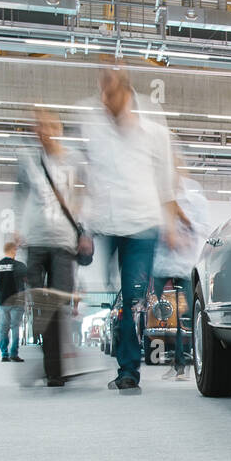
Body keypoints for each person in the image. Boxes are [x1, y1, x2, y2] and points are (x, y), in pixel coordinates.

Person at [80, 68, 180, 393]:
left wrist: (170, 225)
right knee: (116, 293)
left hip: (142, 225)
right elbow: (92, 181)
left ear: (125, 92)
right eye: (102, 94)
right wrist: (86, 229)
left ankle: (128, 370)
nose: (104, 101)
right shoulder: (95, 129)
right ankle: (124, 354)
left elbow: (165, 179)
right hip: (109, 225)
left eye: (109, 94)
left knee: (132, 299)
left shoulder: (152, 130)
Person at [15, 109, 89, 386]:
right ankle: (52, 363)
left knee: (58, 305)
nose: (43, 130)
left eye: (48, 124)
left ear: (57, 127)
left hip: (63, 242)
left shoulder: (73, 159)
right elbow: (18, 196)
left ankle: (54, 369)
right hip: (35, 241)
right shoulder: (28, 160)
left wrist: (85, 230)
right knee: (40, 307)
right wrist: (15, 228)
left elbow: (86, 195)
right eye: (38, 126)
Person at [152, 173, 209, 381]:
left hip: (185, 266)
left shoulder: (194, 199)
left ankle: (185, 365)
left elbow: (204, 228)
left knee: (187, 318)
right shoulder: (157, 199)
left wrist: (185, 225)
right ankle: (174, 363)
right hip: (161, 266)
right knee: (163, 318)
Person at [0, 240, 27, 362]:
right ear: (13, 250)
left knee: (3, 328)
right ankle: (14, 354)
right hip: (17, 301)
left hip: (3, 301)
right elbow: (27, 279)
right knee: (15, 327)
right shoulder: (20, 265)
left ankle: (4, 354)